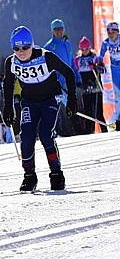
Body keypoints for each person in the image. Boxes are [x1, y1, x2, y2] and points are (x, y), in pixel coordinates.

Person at [3, 26, 77, 191]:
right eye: (16, 48)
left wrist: (72, 99)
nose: (21, 52)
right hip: (29, 101)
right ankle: (29, 176)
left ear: (32, 45)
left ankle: (56, 173)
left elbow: (69, 73)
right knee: (27, 136)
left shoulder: (46, 57)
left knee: (45, 134)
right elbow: (8, 84)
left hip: (50, 99)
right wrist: (8, 108)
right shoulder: (11, 62)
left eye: (25, 47)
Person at [44, 18, 77, 136]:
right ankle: (54, 131)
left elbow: (72, 63)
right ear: (52, 31)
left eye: (61, 29)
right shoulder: (49, 47)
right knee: (55, 107)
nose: (59, 31)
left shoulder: (67, 44)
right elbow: (46, 68)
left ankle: (74, 131)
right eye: (56, 29)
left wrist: (77, 78)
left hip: (68, 81)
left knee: (71, 105)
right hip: (56, 83)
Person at [73, 36, 106, 134]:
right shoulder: (77, 60)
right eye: (82, 49)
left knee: (98, 112)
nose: (84, 51)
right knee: (88, 112)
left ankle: (104, 130)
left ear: (89, 47)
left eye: (86, 49)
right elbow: (75, 72)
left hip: (96, 89)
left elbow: (103, 70)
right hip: (86, 90)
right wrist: (77, 82)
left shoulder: (94, 57)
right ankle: (89, 132)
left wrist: (97, 66)